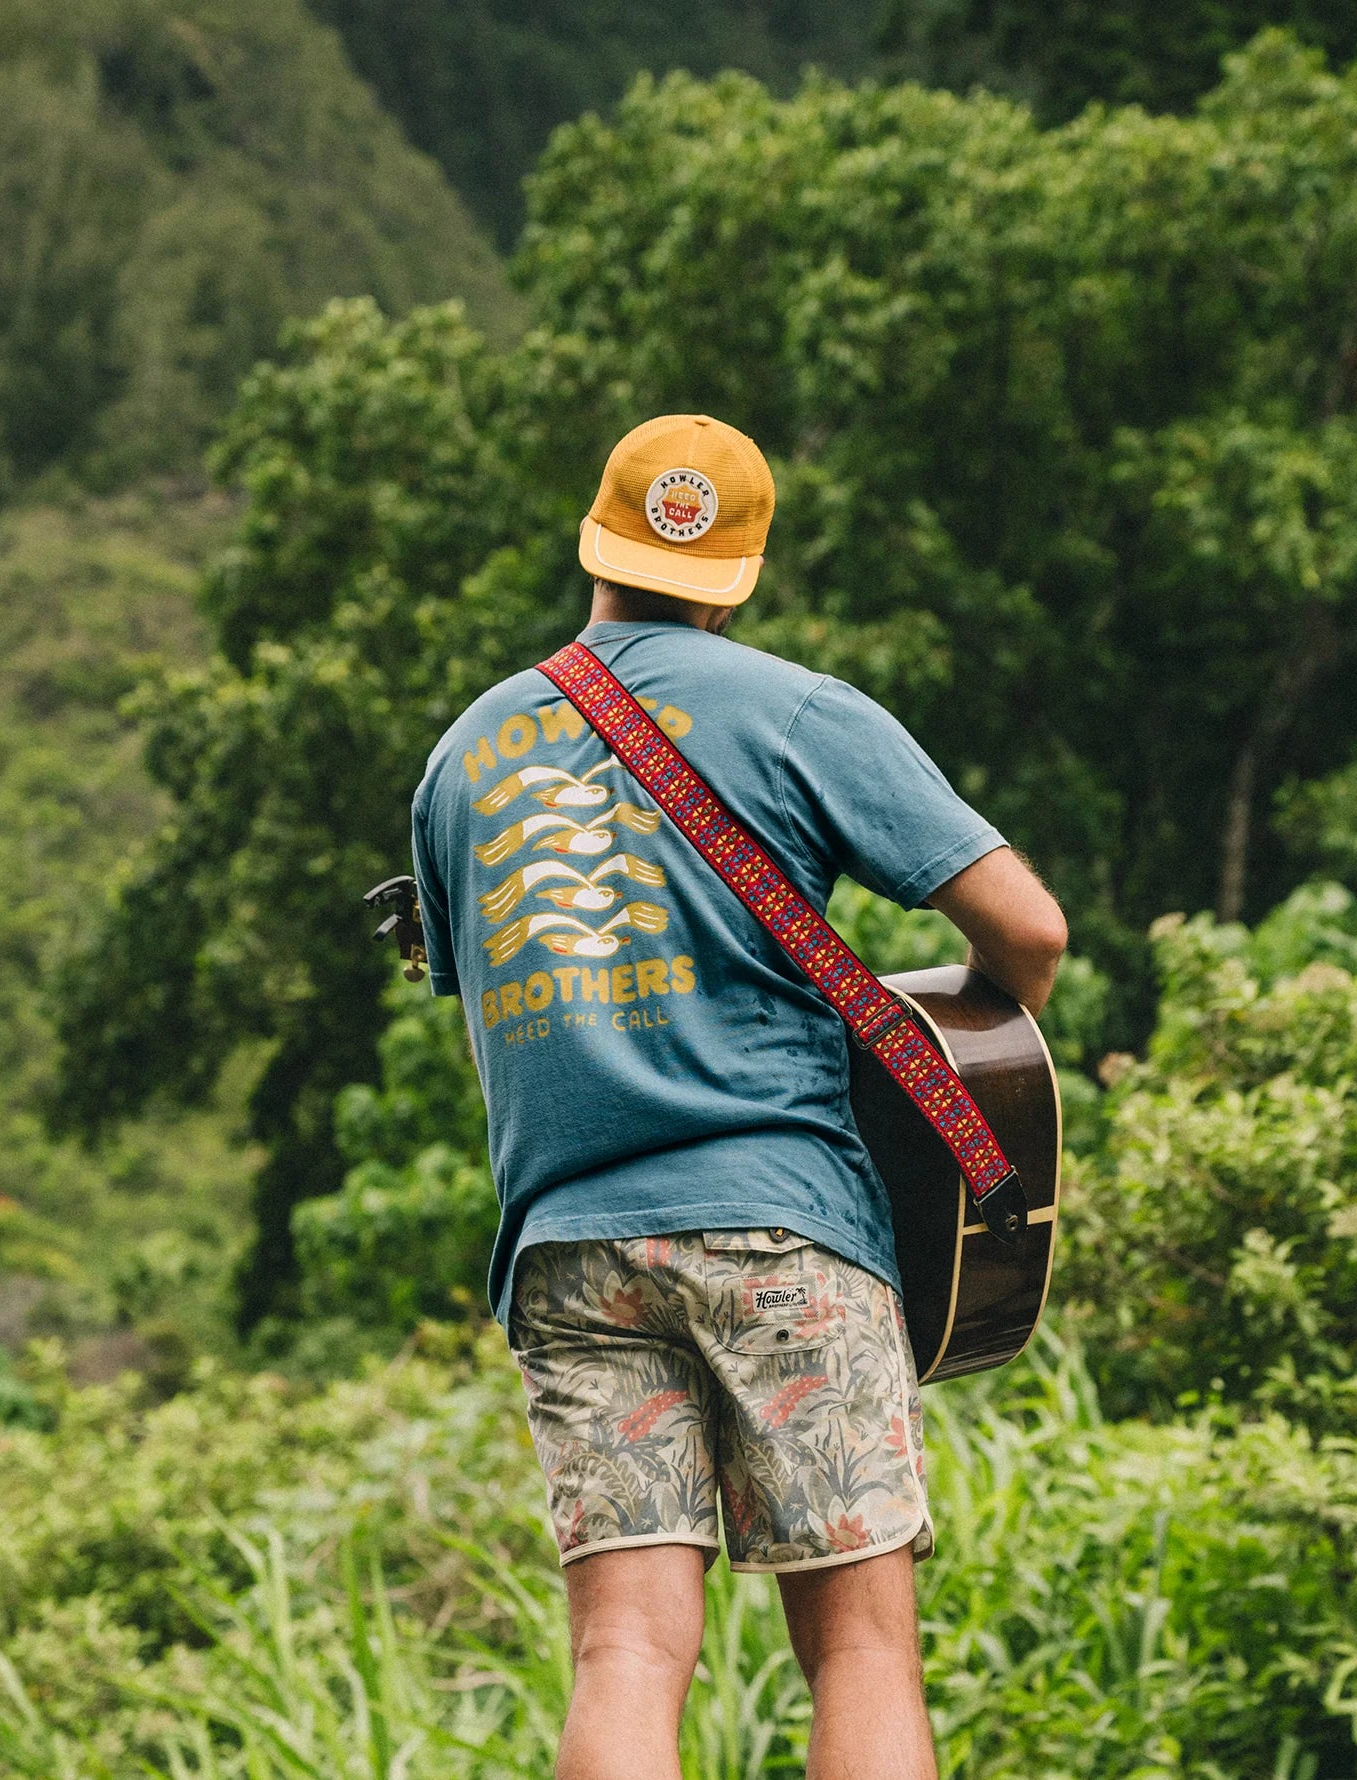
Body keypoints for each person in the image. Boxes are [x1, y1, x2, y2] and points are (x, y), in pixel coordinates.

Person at [409, 414, 1068, 1780]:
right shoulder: (800, 711)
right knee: (859, 1649)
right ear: (736, 573)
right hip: (783, 1226)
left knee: (628, 1655)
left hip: (570, 1246)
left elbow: (495, 1008)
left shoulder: (462, 759)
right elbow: (1035, 931)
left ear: (596, 540)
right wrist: (974, 1026)